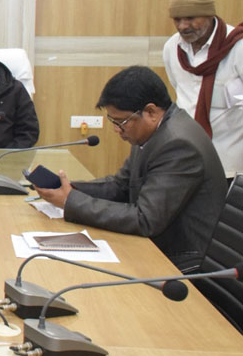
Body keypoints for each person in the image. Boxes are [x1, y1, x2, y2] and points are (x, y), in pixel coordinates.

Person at [33, 66, 225, 273]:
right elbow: (120, 186)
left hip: (183, 260)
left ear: (150, 112)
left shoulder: (178, 145)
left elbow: (145, 219)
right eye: (113, 121)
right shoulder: (152, 132)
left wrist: (70, 201)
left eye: (121, 122)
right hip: (156, 245)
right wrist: (69, 189)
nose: (116, 129)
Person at [161, 0, 242, 180]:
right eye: (177, 19)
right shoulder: (172, 48)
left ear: (209, 14)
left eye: (190, 18)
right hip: (185, 160)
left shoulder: (238, 48)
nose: (183, 26)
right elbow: (179, 90)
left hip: (229, 165)